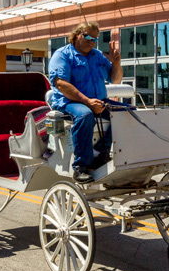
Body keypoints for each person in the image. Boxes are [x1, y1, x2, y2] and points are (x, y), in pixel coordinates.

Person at [47, 22, 123, 183]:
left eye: (95, 38)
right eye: (88, 36)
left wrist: (116, 63)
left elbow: (115, 79)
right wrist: (87, 101)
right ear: (76, 35)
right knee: (85, 115)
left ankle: (101, 154)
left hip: (98, 101)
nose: (91, 41)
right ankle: (81, 166)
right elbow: (61, 84)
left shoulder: (98, 56)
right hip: (69, 102)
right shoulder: (62, 55)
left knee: (127, 112)